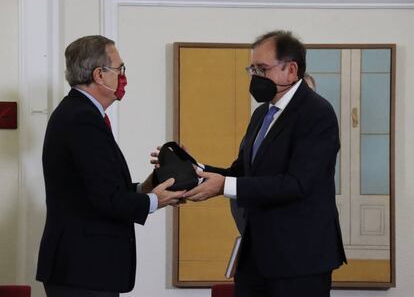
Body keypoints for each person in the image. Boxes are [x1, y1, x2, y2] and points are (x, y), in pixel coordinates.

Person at [183, 30, 347, 297]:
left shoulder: (317, 113)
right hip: (256, 257)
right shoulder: (262, 114)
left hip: (299, 259)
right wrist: (198, 169)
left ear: (291, 70)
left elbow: (297, 184)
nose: (255, 77)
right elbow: (242, 172)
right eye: (252, 68)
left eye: (262, 68)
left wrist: (224, 186)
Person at [36, 35, 184, 297]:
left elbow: (98, 187)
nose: (123, 77)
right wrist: (154, 200)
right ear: (99, 75)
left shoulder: (81, 113)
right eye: (120, 69)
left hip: (85, 270)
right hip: (83, 270)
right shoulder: (81, 118)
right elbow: (105, 199)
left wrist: (148, 185)